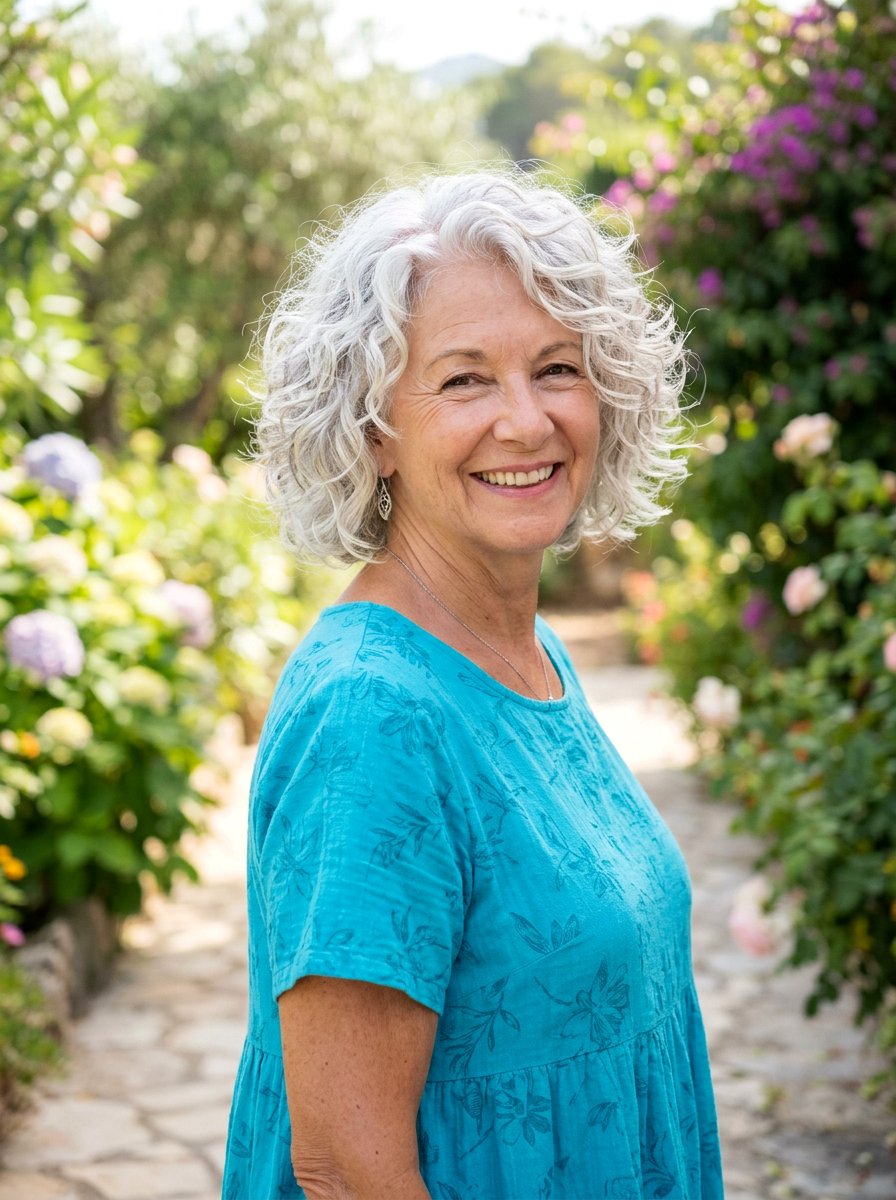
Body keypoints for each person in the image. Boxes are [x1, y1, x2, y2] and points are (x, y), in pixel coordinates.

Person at [223, 168, 724, 1200]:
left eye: (555, 368)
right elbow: (346, 1170)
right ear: (373, 428)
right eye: (461, 380)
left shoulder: (526, 654)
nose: (526, 421)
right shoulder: (373, 716)